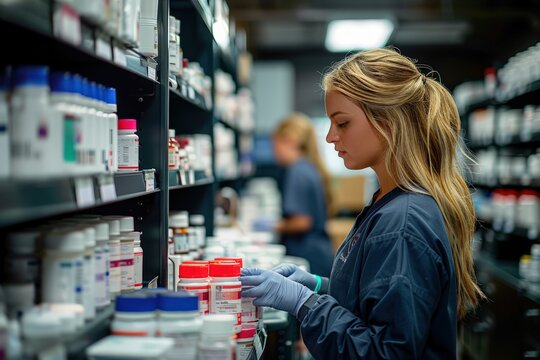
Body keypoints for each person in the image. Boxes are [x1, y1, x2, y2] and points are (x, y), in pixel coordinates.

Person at [241, 48, 485, 359]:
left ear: (389, 123)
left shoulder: (403, 221)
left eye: (342, 123)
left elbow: (385, 352)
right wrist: (319, 286)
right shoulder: (389, 200)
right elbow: (375, 301)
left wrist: (305, 303)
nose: (330, 137)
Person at [271, 113, 334, 277]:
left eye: (275, 145)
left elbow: (302, 222)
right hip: (318, 253)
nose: (274, 152)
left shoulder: (297, 171)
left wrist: (274, 226)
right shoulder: (307, 167)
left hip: (308, 255)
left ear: (289, 141)